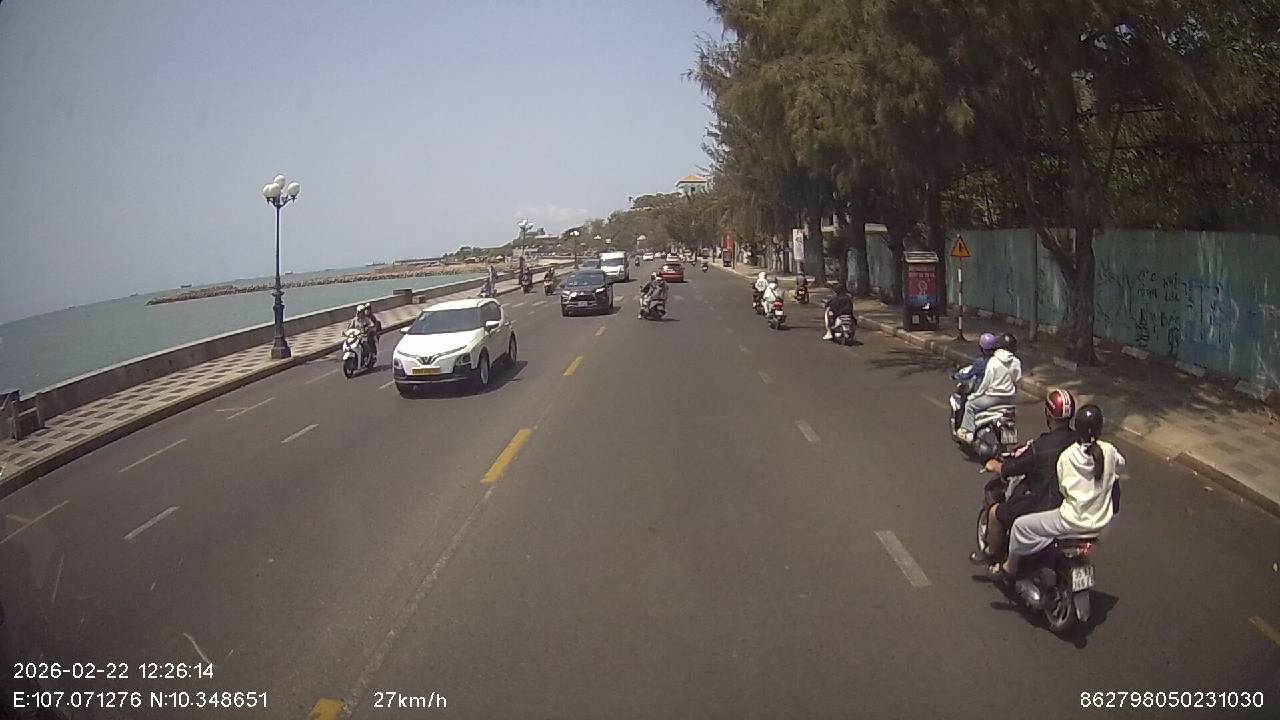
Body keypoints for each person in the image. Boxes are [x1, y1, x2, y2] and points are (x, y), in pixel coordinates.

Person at [993, 404, 1123, 578]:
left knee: (1019, 526)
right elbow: (1119, 467)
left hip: (1071, 521)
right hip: (1102, 525)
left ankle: (1010, 567)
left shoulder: (1068, 456)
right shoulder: (1109, 451)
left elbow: (1062, 488)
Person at [970, 388, 1078, 567]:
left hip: (1044, 502)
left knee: (996, 512)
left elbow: (1016, 466)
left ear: (1048, 414)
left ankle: (992, 553)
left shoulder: (1041, 446)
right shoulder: (1078, 441)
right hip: (1069, 502)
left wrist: (997, 466)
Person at [957, 332, 1022, 442]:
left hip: (992, 398)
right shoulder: (1016, 362)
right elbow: (1017, 381)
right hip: (1009, 399)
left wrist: (975, 396)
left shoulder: (994, 361)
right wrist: (1015, 395)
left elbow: (986, 383)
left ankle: (968, 432)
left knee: (970, 405)